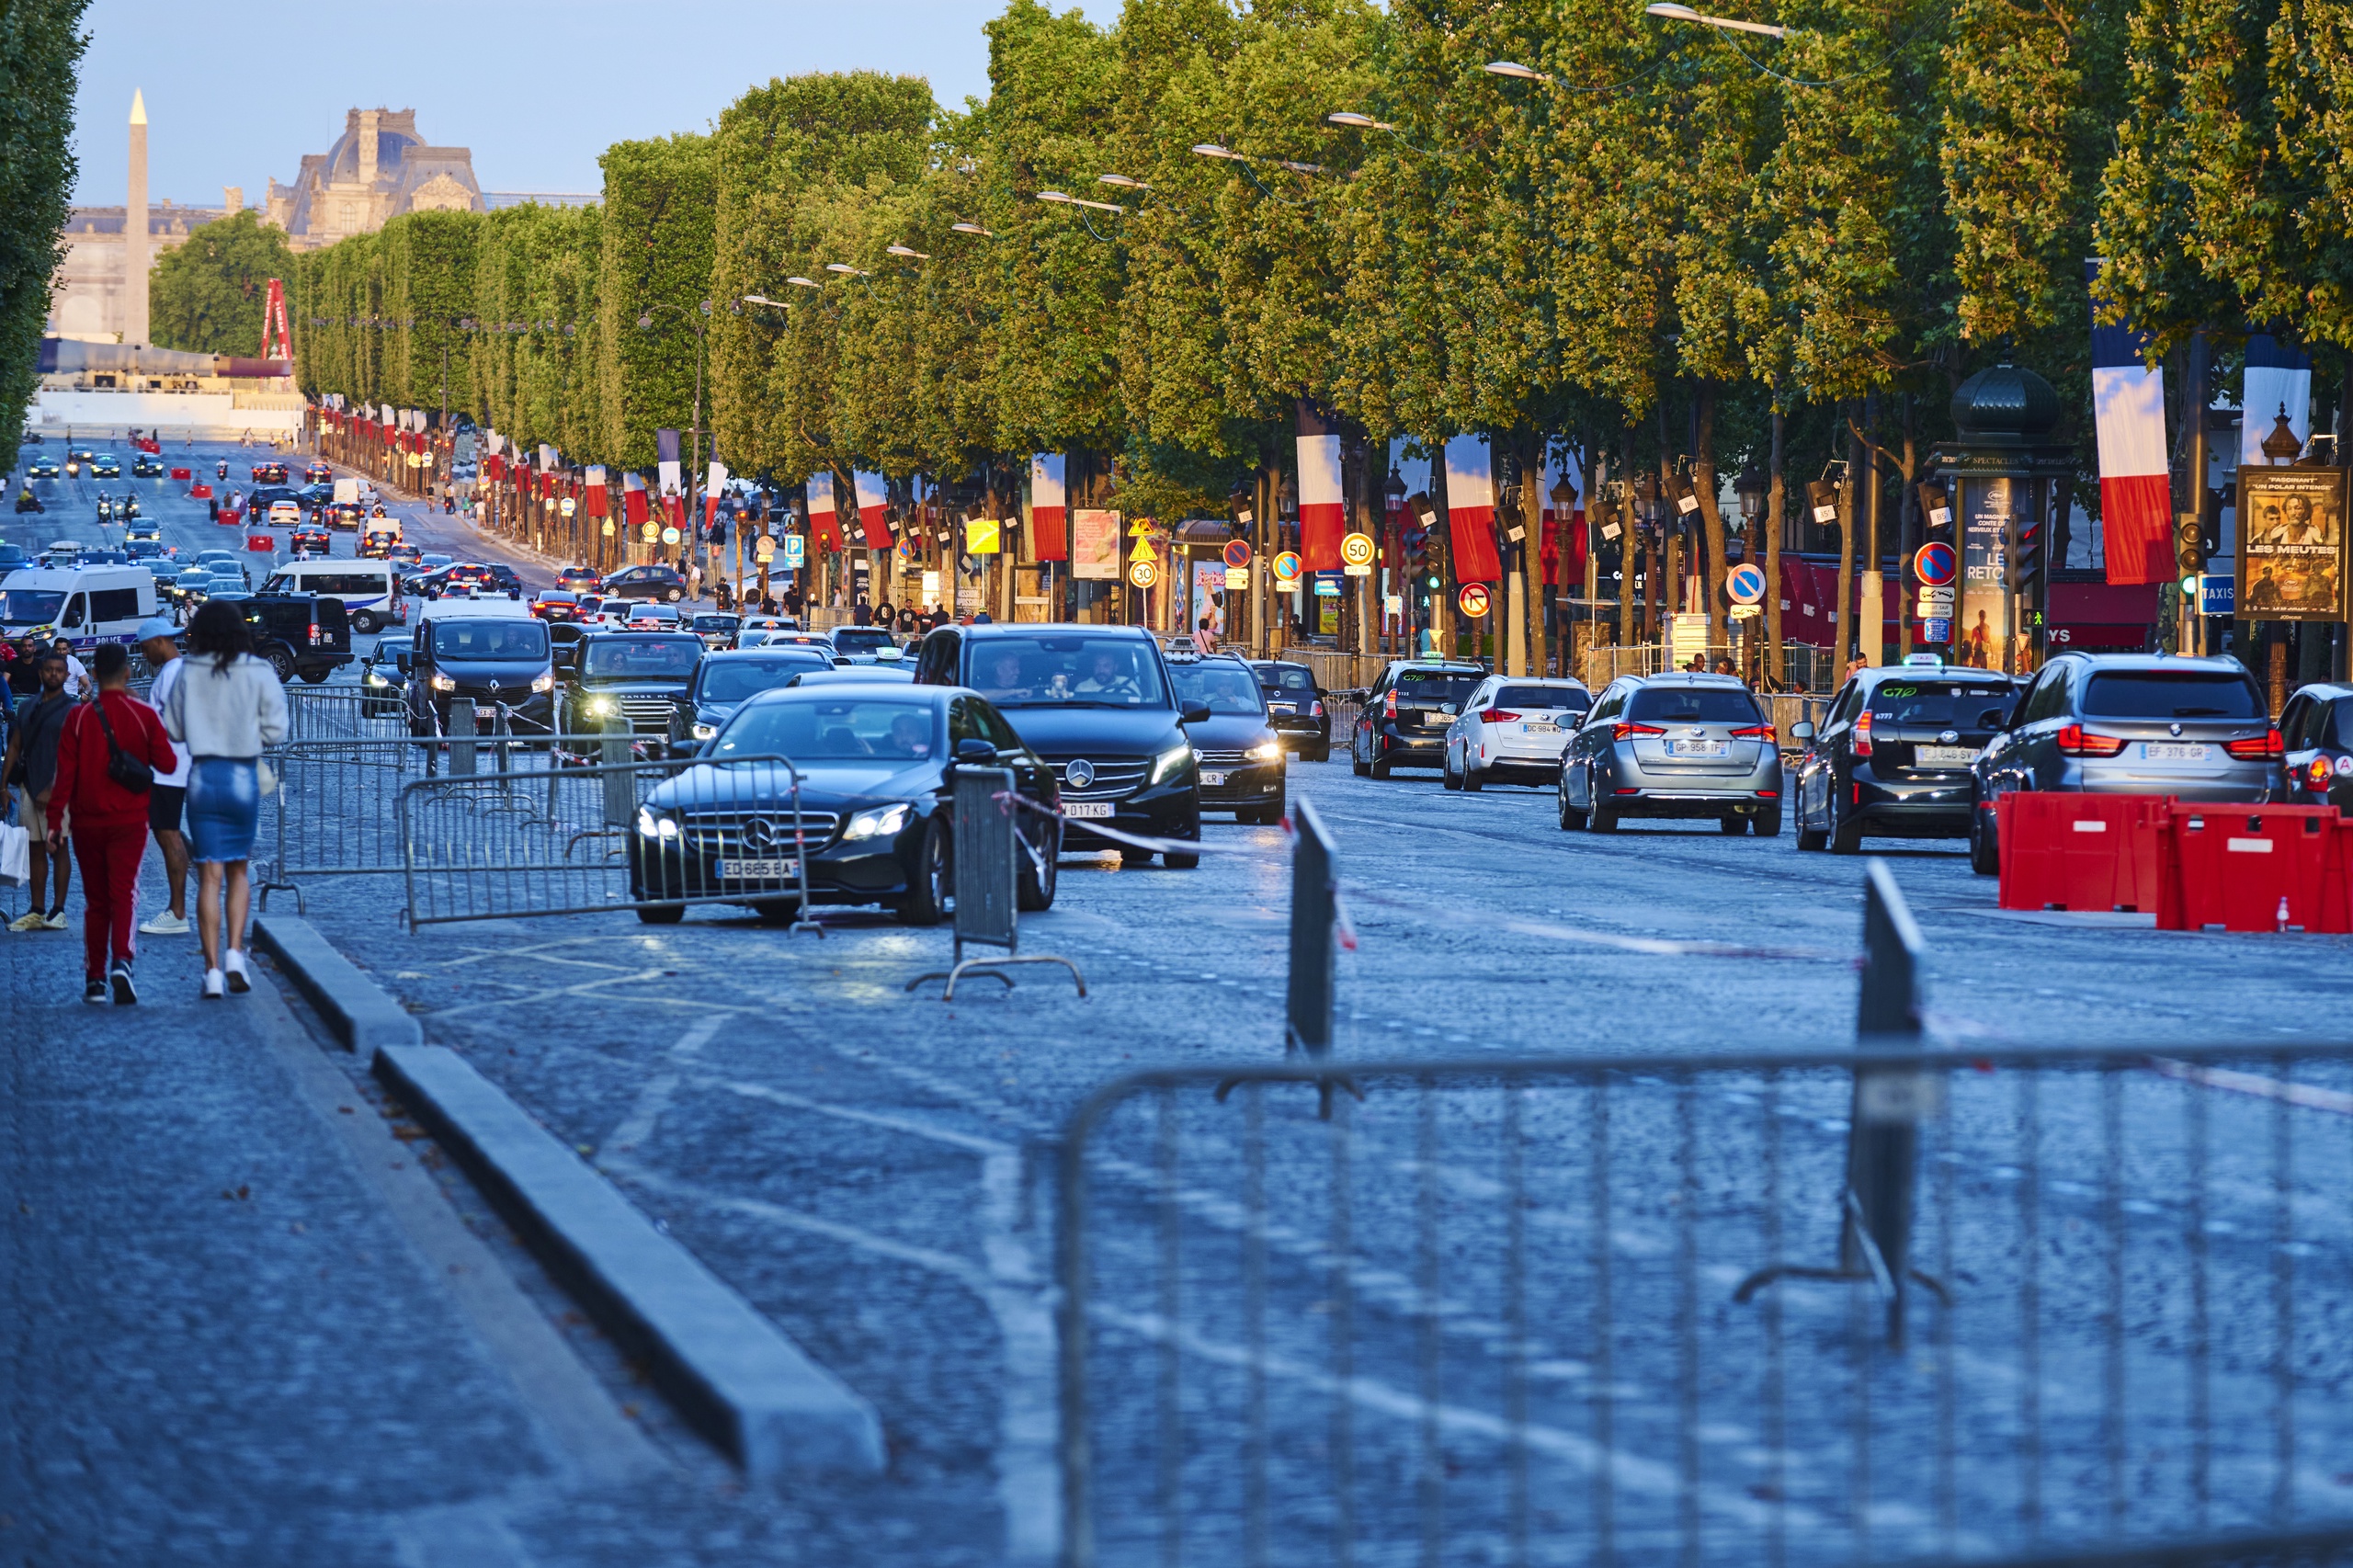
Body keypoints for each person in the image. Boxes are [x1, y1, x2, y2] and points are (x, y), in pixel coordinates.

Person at [161, 600, 289, 999]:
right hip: (242, 775)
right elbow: (276, 730)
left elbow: (174, 730)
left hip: (203, 777)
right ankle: (235, 954)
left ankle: (212, 970)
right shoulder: (259, 671)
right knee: (238, 872)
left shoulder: (188, 672)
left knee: (209, 876)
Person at [49, 644, 176, 1004]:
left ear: (95, 673)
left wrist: (55, 822)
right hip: (130, 820)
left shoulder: (78, 718)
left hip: (87, 820)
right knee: (124, 892)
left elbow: (64, 776)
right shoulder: (143, 714)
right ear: (126, 672)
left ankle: (94, 978)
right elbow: (166, 764)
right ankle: (122, 960)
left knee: (96, 900)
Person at [3, 651, 76, 930]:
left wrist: (54, 787)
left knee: (59, 847)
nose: (54, 675)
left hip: (59, 790)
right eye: (49, 670)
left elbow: (75, 753)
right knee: (34, 848)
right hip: (28, 788)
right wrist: (3, 785)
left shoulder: (72, 710)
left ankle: (58, 910)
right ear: (40, 673)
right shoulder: (27, 708)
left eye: (59, 670)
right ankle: (37, 908)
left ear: (67, 675)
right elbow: (15, 747)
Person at [135, 618, 192, 936]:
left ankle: (177, 910)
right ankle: (177, 908)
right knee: (168, 834)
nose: (144, 656)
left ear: (158, 642)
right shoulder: (180, 672)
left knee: (168, 835)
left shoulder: (170, 675)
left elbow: (168, 725)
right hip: (174, 767)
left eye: (145, 649)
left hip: (169, 769)